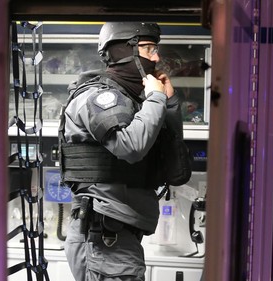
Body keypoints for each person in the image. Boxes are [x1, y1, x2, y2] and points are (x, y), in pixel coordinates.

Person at [59, 22, 183, 281]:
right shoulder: (98, 97)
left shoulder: (135, 103)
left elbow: (175, 167)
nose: (156, 58)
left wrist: (168, 104)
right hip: (104, 238)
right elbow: (131, 146)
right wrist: (157, 99)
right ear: (121, 52)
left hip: (117, 237)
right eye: (149, 49)